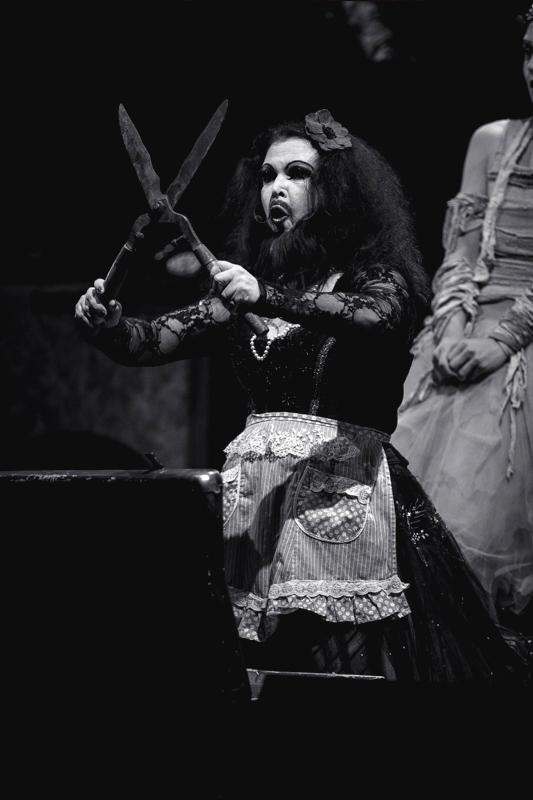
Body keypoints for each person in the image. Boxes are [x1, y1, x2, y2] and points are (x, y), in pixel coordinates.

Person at [75, 106, 527, 683]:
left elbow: (377, 316)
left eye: (296, 174)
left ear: (334, 190)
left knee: (340, 674)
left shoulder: (373, 277)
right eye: (267, 176)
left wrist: (266, 295)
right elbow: (150, 341)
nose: (276, 188)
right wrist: (109, 325)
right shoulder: (248, 293)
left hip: (343, 500)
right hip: (258, 509)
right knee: (258, 672)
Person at [391, 8, 533, 635]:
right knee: (409, 521)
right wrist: (450, 327)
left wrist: (504, 341)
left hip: (520, 344)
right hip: (468, 330)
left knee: (476, 527)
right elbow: (464, 250)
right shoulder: (492, 139)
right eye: (528, 51)